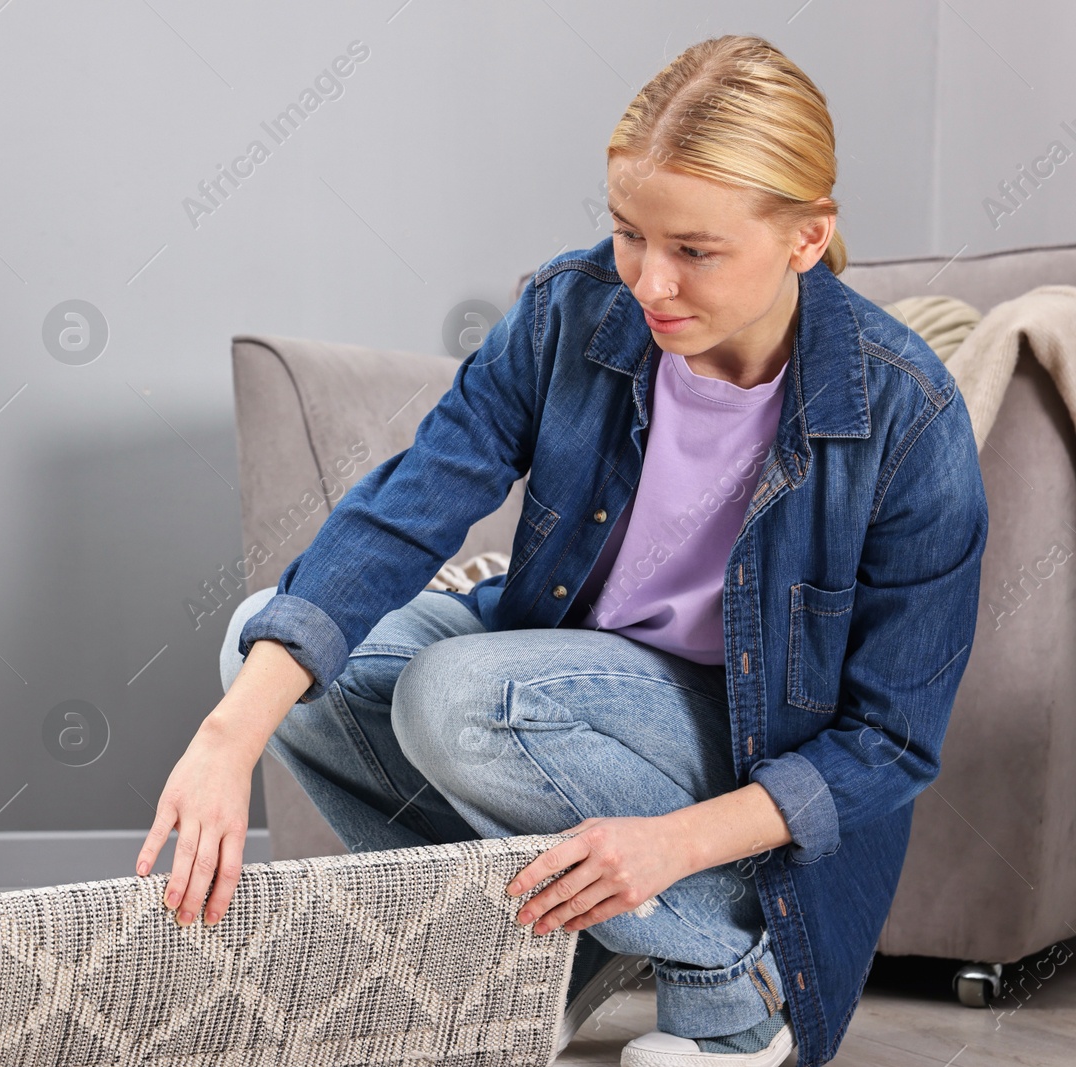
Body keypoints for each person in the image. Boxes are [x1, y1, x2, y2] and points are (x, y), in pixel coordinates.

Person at [135, 33, 988, 1067]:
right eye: (630, 232)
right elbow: (410, 506)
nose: (649, 281)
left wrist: (668, 844)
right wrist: (229, 736)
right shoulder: (571, 310)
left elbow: (890, 743)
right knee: (261, 653)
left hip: (741, 749)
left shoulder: (905, 414)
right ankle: (535, 958)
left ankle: (727, 992)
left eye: (695, 249)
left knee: (456, 696)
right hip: (562, 673)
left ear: (807, 238)